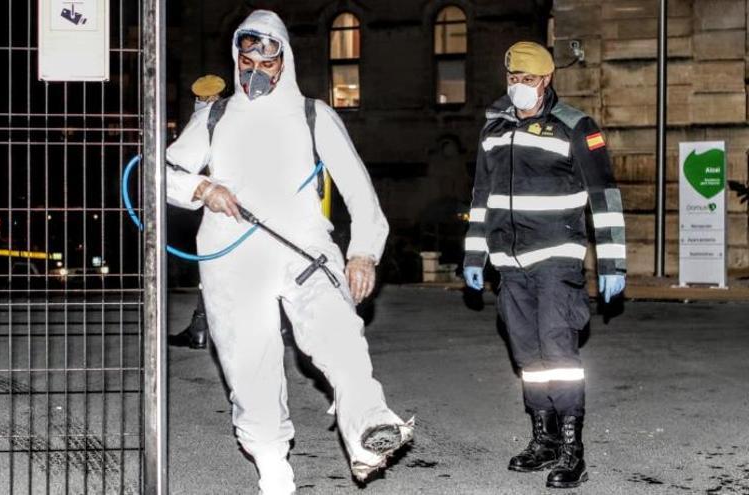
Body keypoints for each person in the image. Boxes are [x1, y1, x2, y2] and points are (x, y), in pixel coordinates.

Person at [165, 10, 413, 494]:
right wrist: (201, 189)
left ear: (284, 60)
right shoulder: (214, 118)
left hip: (304, 252)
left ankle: (369, 432)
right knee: (249, 365)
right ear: (236, 58)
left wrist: (362, 253)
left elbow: (360, 193)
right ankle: (273, 466)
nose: (255, 66)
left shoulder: (313, 114)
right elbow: (163, 172)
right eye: (246, 55)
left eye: (266, 55)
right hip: (234, 261)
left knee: (342, 340)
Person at [462, 41, 627, 489]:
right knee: (528, 356)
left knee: (559, 356)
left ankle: (574, 451)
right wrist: (475, 253)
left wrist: (613, 262)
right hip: (509, 264)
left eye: (528, 80)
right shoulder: (493, 128)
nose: (519, 87)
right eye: (513, 79)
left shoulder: (574, 127)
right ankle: (544, 439)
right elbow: (482, 197)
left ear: (547, 79)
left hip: (557, 259)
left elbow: (604, 197)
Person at [168, 74, 227, 350]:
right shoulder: (238, 114)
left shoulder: (205, 118)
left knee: (213, 269)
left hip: (216, 203)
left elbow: (177, 168)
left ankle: (200, 329)